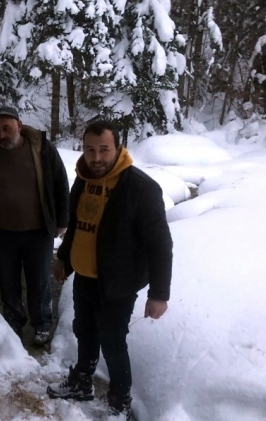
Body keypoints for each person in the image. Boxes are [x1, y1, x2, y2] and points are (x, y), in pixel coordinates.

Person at [46, 120, 173, 419]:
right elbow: (77, 225)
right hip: (84, 277)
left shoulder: (140, 188)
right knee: (85, 332)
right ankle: (82, 381)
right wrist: (64, 257)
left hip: (118, 284)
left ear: (118, 148)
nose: (97, 157)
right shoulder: (83, 177)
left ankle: (119, 402)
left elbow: (160, 245)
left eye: (104, 149)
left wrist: (159, 293)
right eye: (90, 150)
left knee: (113, 343)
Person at [0, 106, 69, 346]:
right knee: (8, 283)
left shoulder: (43, 149)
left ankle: (42, 324)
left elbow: (60, 184)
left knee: (39, 282)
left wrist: (62, 221)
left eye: (6, 128)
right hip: (3, 233)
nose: (1, 135)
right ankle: (13, 324)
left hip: (38, 231)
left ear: (20, 125)